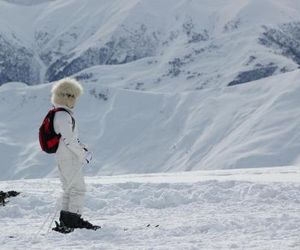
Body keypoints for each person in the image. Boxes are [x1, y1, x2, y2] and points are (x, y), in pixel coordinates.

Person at [51, 78, 99, 232]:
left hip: (63, 157)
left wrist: (82, 149)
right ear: (67, 97)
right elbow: (70, 140)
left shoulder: (58, 114)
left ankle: (66, 221)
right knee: (78, 189)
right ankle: (73, 221)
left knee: (69, 189)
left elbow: (68, 139)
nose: (75, 101)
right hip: (69, 158)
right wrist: (82, 155)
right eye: (74, 97)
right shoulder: (64, 116)